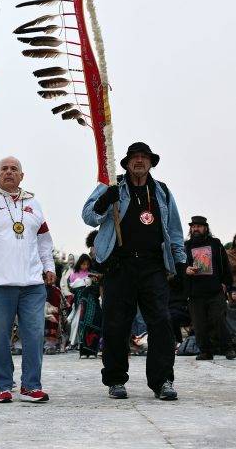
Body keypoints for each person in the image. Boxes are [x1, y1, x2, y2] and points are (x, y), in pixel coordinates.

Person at [82, 142, 186, 401]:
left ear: (151, 163)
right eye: (134, 157)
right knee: (116, 325)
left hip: (153, 266)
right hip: (120, 265)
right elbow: (88, 216)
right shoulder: (112, 185)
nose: (139, 161)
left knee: (161, 323)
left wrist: (180, 262)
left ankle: (162, 381)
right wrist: (106, 200)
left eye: (144, 157)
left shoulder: (161, 191)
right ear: (127, 163)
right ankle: (116, 380)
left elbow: (174, 230)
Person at [0, 156, 56, 404]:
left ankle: (30, 387)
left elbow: (44, 241)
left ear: (21, 176)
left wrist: (49, 266)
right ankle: (3, 386)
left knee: (34, 337)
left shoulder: (33, 202)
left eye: (13, 169)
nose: (8, 172)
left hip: (32, 284)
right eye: (4, 169)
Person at [184, 216, 235, 360]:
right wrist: (186, 270)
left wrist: (226, 283)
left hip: (215, 290)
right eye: (193, 227)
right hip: (195, 293)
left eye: (199, 226)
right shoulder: (186, 246)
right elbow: (180, 266)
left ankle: (227, 348)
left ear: (205, 228)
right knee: (199, 324)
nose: (196, 229)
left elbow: (224, 264)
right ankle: (206, 351)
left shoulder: (215, 243)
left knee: (219, 319)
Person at [67, 253, 102, 357]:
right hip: (80, 304)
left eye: (87, 264)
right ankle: (82, 350)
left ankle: (92, 351)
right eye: (83, 264)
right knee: (80, 325)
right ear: (79, 264)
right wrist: (81, 283)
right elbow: (72, 288)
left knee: (93, 325)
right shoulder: (74, 274)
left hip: (92, 304)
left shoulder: (93, 273)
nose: (85, 266)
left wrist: (94, 281)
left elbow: (99, 287)